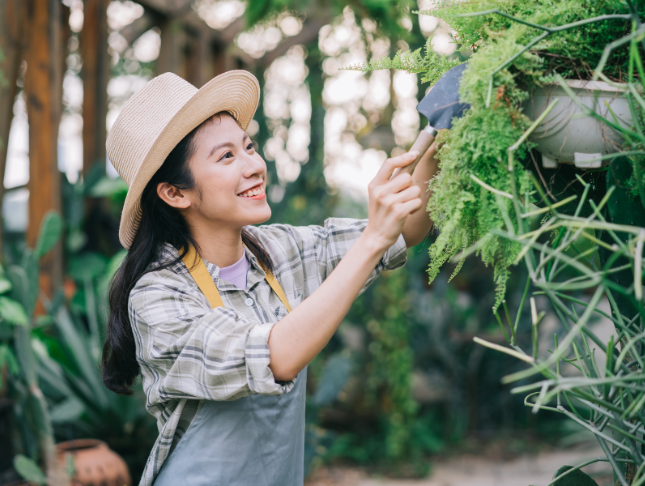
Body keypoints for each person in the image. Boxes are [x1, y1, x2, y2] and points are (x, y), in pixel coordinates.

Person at [101, 70, 438, 486]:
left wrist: (443, 130)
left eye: (249, 147)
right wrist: (371, 239)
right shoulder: (158, 296)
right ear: (175, 193)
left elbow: (406, 230)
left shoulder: (278, 251)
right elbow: (274, 357)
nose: (254, 166)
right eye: (226, 157)